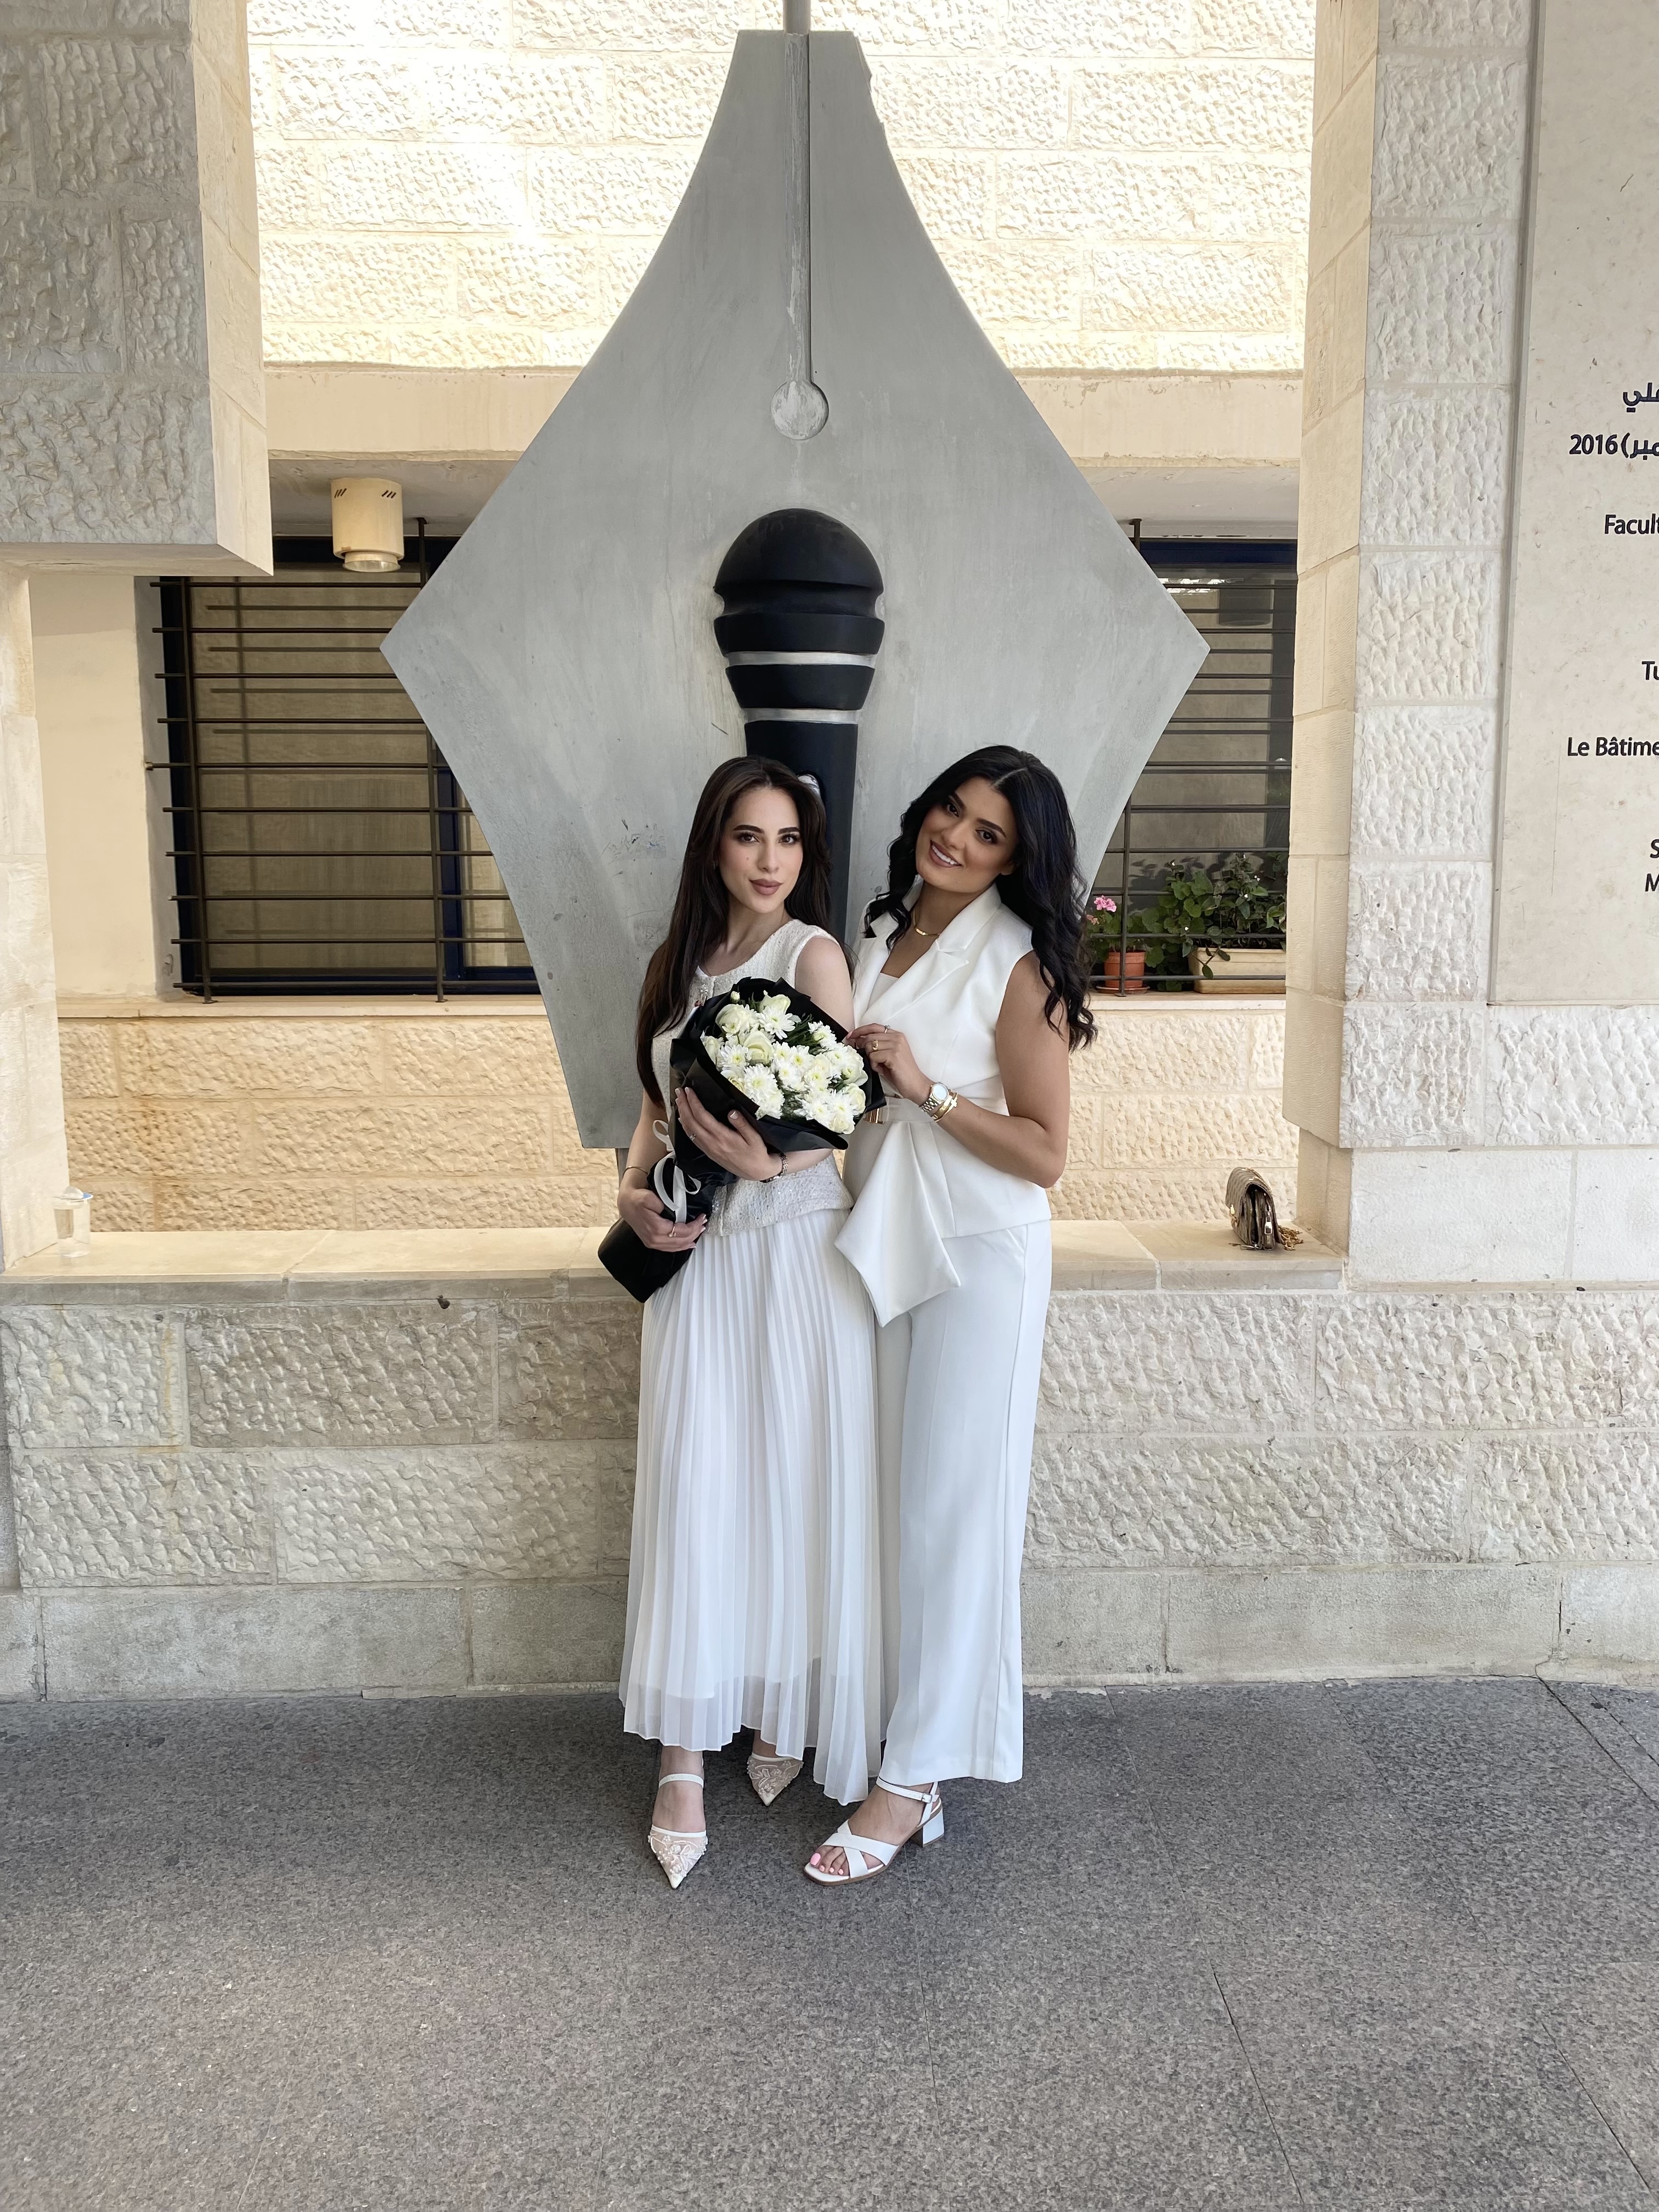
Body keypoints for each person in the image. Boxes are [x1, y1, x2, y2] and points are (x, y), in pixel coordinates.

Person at [805, 745, 1092, 1886]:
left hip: (976, 1254)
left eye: (988, 835)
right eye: (953, 811)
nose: (957, 839)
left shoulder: (1020, 962)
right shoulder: (880, 933)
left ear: (1016, 861)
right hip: (880, 1239)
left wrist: (925, 1090)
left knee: (953, 1511)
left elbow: (1046, 1153)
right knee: (887, 1500)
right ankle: (888, 1731)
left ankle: (917, 1773)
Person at [617, 757, 882, 1888]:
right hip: (701, 1257)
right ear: (713, 847)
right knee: (697, 1483)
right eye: (748, 837)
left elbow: (844, 1111)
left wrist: (766, 1165)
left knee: (791, 1481)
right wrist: (631, 1192)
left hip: (796, 1249)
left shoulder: (812, 955)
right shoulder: (671, 966)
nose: (769, 861)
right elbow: (649, 1110)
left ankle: (782, 1706)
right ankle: (681, 1757)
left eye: (787, 839)